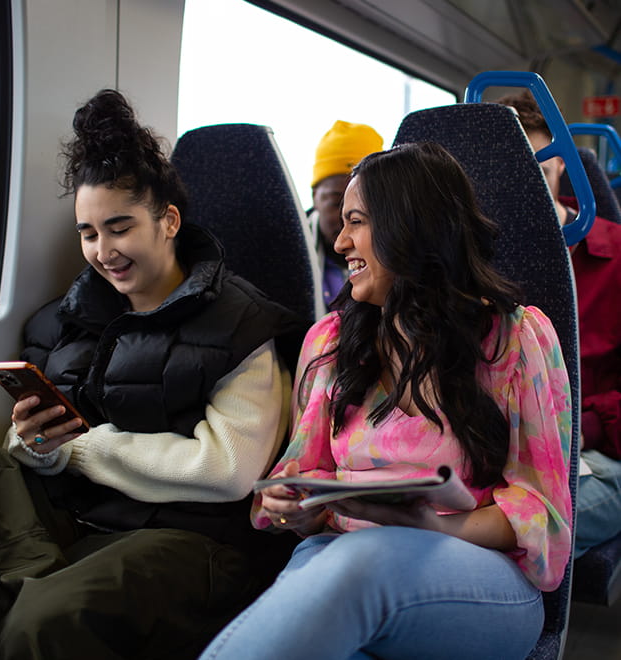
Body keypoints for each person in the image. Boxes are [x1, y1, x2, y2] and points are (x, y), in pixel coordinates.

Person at [0, 89, 304, 660]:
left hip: (191, 540)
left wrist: (81, 450)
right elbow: (30, 447)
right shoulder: (64, 318)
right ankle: (29, 577)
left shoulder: (241, 324)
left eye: (119, 228)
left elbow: (227, 470)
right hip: (75, 514)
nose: (102, 251)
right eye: (88, 233)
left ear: (168, 221)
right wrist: (37, 443)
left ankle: (30, 589)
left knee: (44, 623)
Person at [199, 142, 573, 660]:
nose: (340, 242)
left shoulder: (515, 338)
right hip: (339, 557)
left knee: (361, 566)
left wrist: (424, 524)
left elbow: (545, 518)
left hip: (478, 576)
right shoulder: (330, 343)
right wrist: (296, 509)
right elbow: (299, 479)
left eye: (357, 222)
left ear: (411, 225)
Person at [495, 90, 621, 558]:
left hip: (596, 454)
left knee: (510, 535)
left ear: (562, 166)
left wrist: (587, 422)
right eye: (516, 178)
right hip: (500, 454)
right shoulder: (471, 258)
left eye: (540, 174)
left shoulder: (616, 256)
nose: (529, 195)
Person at [307, 120, 383, 309]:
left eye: (359, 213)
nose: (345, 232)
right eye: (335, 204)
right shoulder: (290, 252)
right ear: (315, 197)